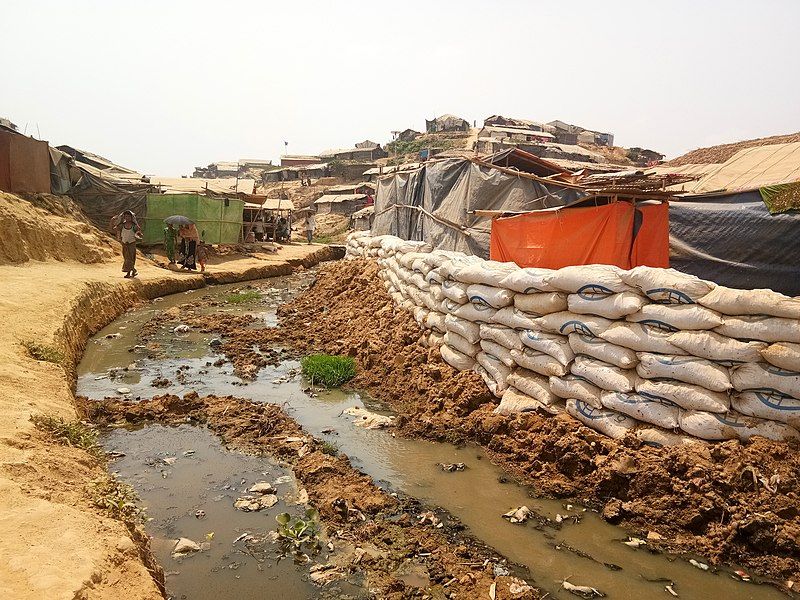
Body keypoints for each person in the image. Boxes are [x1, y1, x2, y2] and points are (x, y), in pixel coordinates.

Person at [115, 210, 142, 278]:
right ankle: (133, 270)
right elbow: (118, 231)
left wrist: (138, 234)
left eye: (129, 216)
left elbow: (139, 232)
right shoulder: (122, 225)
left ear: (131, 217)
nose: (127, 218)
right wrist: (119, 238)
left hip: (131, 244)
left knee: (131, 258)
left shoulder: (134, 226)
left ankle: (129, 272)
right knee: (126, 258)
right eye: (126, 216)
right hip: (124, 243)